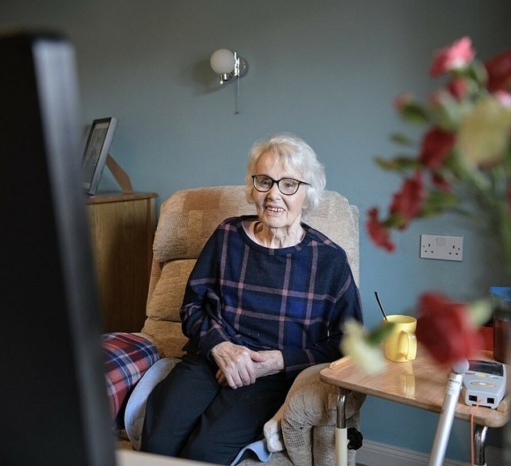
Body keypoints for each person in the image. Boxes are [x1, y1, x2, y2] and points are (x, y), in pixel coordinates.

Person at [140, 133, 363, 464]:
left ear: (308, 193)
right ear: (252, 186)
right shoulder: (227, 236)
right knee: (156, 443)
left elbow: (348, 342)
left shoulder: (328, 260)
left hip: (270, 378)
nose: (274, 194)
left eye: (289, 184)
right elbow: (191, 306)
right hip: (210, 360)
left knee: (205, 452)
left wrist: (280, 360)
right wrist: (220, 347)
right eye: (264, 181)